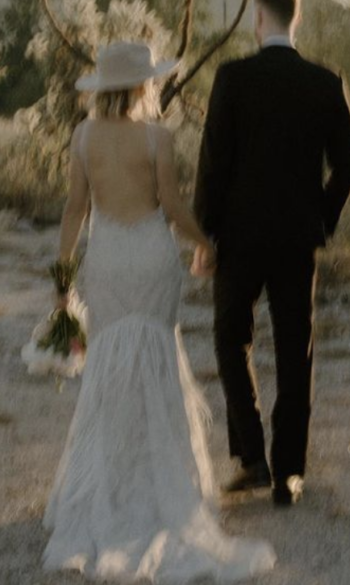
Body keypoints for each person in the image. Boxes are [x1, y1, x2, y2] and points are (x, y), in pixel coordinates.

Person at [42, 41, 276, 583]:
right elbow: (171, 208)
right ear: (144, 86)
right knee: (157, 364)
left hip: (105, 260)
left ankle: (109, 490)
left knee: (107, 370)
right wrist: (206, 244)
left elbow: (76, 208)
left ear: (104, 88)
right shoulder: (157, 138)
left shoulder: (82, 137)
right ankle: (161, 490)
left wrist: (62, 273)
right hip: (149, 257)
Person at [194, 0, 350, 507]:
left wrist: (204, 232)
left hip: (239, 238)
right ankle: (290, 473)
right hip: (296, 240)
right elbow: (347, 169)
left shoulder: (232, 79)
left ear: (258, 19)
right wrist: (320, 219)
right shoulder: (325, 82)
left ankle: (251, 458)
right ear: (297, 18)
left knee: (229, 338)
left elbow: (213, 164)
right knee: (295, 351)